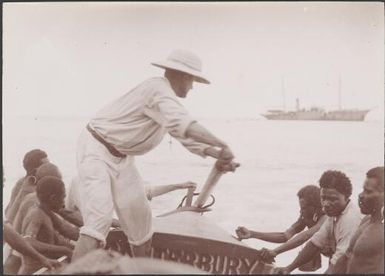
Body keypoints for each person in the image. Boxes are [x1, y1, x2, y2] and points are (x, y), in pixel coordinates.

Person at [72, 49, 237, 261]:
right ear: (183, 76)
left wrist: (217, 155)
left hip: (121, 158)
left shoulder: (164, 99)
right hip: (95, 150)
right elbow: (183, 124)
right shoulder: (158, 90)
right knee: (99, 223)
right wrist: (222, 144)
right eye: (192, 80)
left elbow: (185, 137)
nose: (193, 86)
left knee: (141, 221)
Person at [274, 170, 362, 274]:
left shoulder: (350, 220)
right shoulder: (334, 214)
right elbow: (315, 244)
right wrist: (288, 268)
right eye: (323, 198)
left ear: (346, 197)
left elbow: (339, 263)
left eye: (332, 199)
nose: (326, 204)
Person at [235, 185, 326, 271]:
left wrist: (275, 252)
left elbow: (304, 236)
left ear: (315, 207)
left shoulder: (326, 217)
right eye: (300, 208)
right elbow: (285, 236)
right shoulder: (305, 216)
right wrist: (252, 234)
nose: (301, 211)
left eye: (304, 208)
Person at [332, 166, 384, 274]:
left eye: (368, 192)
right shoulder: (367, 220)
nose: (361, 195)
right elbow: (345, 258)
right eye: (363, 190)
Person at [18, 176, 74, 274]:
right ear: (53, 198)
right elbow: (28, 241)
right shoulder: (36, 214)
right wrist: (64, 250)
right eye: (63, 197)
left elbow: (67, 232)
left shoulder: (47, 213)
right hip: (34, 272)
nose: (64, 202)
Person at [5, 149, 49, 223]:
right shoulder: (32, 191)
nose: (51, 168)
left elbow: (7, 211)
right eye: (47, 166)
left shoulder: (21, 183)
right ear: (36, 170)